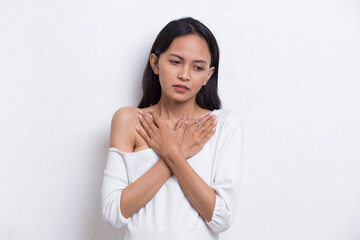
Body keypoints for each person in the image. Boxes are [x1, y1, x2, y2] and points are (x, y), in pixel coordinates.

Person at [101, 17, 244, 240]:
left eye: (197, 67)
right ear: (155, 63)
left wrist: (172, 152)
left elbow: (221, 218)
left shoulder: (224, 125)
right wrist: (176, 152)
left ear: (208, 75)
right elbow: (113, 213)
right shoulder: (129, 121)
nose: (184, 75)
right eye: (176, 62)